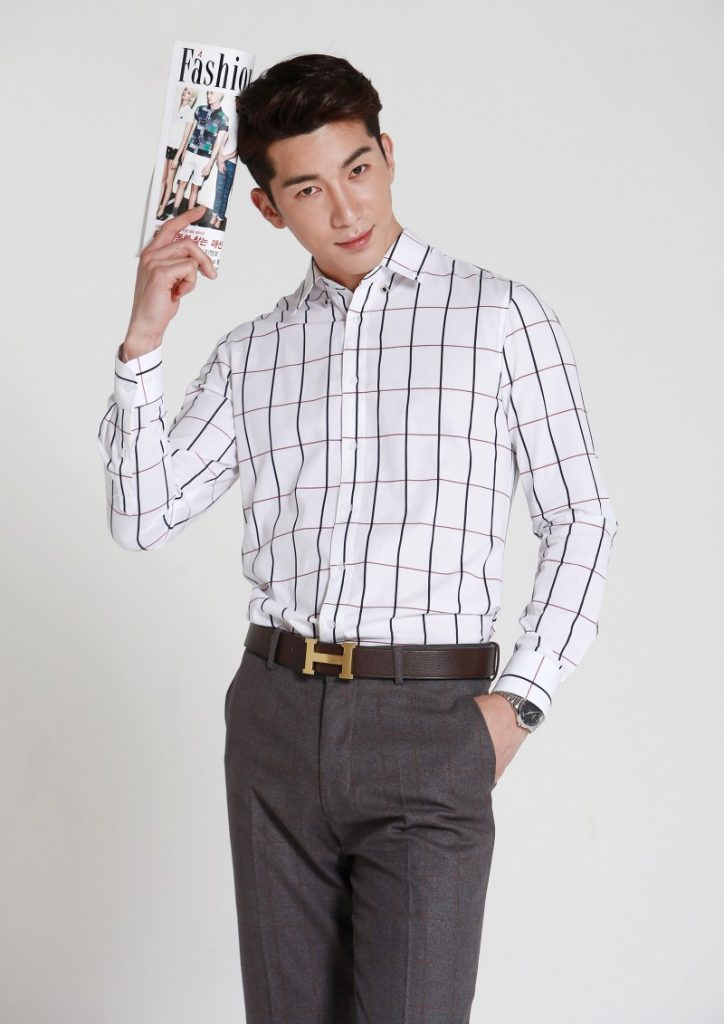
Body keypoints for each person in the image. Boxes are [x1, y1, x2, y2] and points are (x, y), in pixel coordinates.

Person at [97, 52, 619, 1024]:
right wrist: (143, 343)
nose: (345, 208)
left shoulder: (500, 319)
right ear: (266, 209)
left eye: (358, 168)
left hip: (432, 719)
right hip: (275, 719)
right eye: (307, 188)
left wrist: (519, 704)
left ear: (387, 153)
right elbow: (140, 518)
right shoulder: (252, 353)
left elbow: (580, 516)